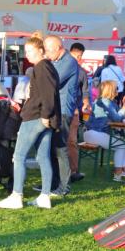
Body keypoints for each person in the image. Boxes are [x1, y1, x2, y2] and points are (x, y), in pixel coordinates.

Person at [0, 35, 61, 210]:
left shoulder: (41, 67)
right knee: (43, 157)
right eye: (26, 51)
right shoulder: (47, 66)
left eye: (30, 51)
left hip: (36, 117)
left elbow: (48, 94)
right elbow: (50, 94)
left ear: (40, 50)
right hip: (43, 117)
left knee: (19, 156)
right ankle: (44, 196)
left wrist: (45, 115)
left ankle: (17, 196)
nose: (27, 54)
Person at [42, 35, 79, 197]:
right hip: (55, 110)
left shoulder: (69, 62)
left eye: (48, 50)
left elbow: (52, 81)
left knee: (60, 148)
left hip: (63, 110)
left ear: (58, 48)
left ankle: (64, 186)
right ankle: (53, 183)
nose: (46, 54)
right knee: (52, 148)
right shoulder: (56, 60)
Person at [83, 81, 125, 181]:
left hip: (96, 133)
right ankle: (118, 173)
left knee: (124, 145)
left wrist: (124, 105)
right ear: (110, 90)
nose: (118, 90)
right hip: (95, 133)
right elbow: (117, 118)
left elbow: (121, 117)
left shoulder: (110, 102)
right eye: (116, 88)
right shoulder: (105, 101)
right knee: (122, 145)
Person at [67, 42, 92, 183]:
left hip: (74, 111)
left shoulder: (81, 72)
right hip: (59, 110)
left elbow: (85, 92)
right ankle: (58, 171)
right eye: (77, 56)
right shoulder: (60, 68)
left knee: (72, 141)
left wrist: (86, 103)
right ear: (70, 53)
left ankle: (73, 171)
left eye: (80, 56)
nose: (79, 58)